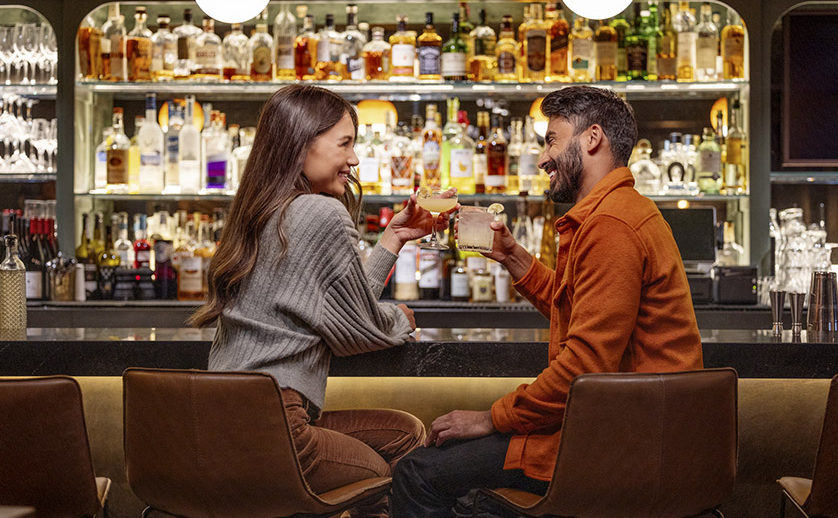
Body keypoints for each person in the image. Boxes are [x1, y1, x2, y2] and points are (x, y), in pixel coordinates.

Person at [391, 85, 704, 516]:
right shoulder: (618, 211)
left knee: (417, 472)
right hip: (629, 432)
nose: (541, 159)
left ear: (592, 138)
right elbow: (579, 311)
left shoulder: (611, 224)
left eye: (551, 139)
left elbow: (584, 366)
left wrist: (491, 418)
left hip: (619, 448)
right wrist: (512, 256)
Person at [191, 84, 454, 517]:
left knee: (403, 431)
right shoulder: (319, 211)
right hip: (277, 427)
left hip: (218, 422)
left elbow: (340, 306)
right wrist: (401, 319)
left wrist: (394, 237)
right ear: (301, 144)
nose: (354, 159)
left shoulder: (262, 209)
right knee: (390, 477)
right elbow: (360, 332)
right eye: (345, 144)